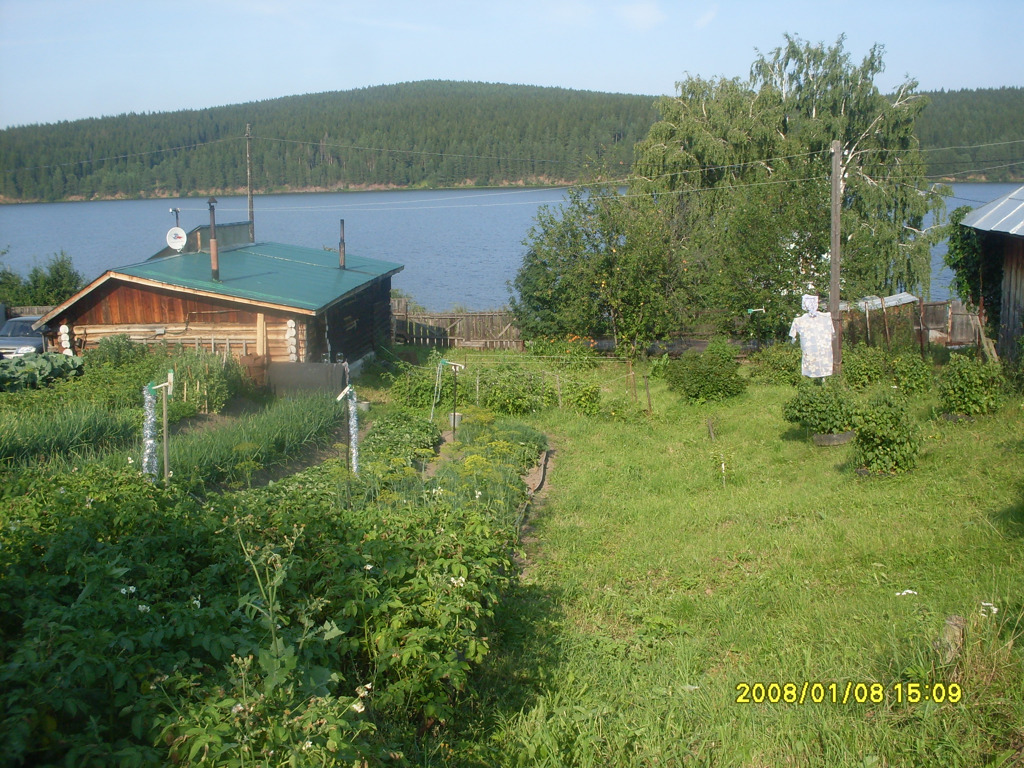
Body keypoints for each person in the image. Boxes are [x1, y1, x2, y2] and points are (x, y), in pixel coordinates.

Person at [789, 294, 835, 378]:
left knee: (821, 361)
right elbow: (793, 335)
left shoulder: (825, 317)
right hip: (812, 350)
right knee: (811, 362)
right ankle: (815, 380)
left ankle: (822, 380)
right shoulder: (800, 321)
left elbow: (793, 337)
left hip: (822, 351)